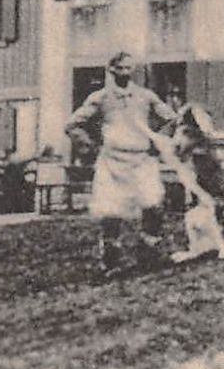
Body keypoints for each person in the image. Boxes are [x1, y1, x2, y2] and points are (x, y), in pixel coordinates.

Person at [65, 50, 176, 274]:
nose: (125, 73)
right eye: (120, 68)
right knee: (111, 211)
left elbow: (172, 118)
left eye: (128, 68)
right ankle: (111, 262)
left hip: (142, 159)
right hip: (113, 161)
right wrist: (92, 145)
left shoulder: (146, 96)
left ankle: (148, 255)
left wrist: (157, 142)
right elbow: (72, 125)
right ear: (111, 70)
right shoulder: (100, 98)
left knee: (153, 204)